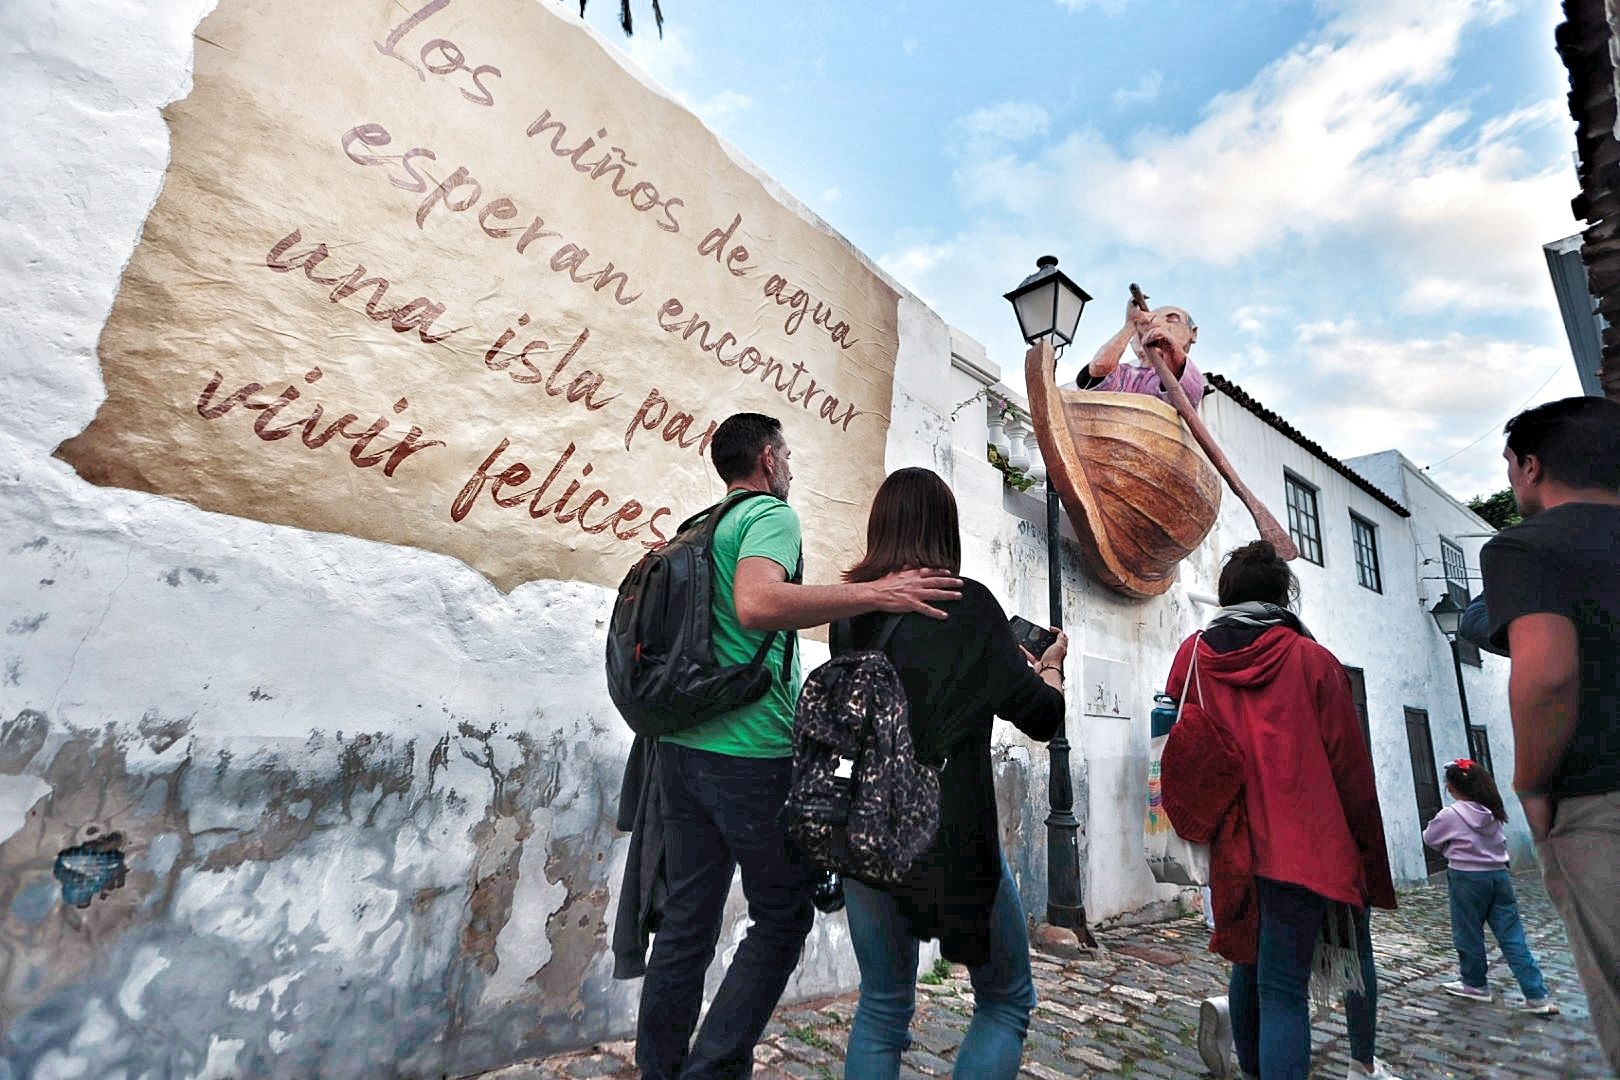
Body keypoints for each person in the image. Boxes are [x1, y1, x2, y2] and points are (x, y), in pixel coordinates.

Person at [635, 415, 963, 1080]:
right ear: (766, 457)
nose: (791, 468)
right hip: (748, 752)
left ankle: (659, 1070)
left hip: (679, 748)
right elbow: (757, 604)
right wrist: (878, 591)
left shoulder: (703, 524)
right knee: (783, 917)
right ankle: (714, 1070)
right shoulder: (767, 513)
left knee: (686, 925)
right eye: (786, 455)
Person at [834, 467, 1066, 1080]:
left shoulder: (852, 614)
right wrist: (1049, 669)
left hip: (866, 829)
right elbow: (1041, 718)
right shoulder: (966, 605)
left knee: (882, 1007)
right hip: (950, 833)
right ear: (945, 530)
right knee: (1005, 999)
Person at [1164, 541, 1399, 1080]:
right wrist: (1366, 856)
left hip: (1230, 848)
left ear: (1227, 595)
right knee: (1283, 990)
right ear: (1282, 596)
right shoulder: (1314, 662)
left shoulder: (1193, 656)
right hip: (1306, 851)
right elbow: (1351, 771)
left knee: (1248, 969)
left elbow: (1178, 732)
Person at [1478, 395, 1620, 1072]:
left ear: (1532, 468)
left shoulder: (1526, 546)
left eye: (1510, 469)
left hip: (1602, 800)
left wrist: (1531, 783)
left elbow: (1548, 675)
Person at [1421, 758, 1557, 1015]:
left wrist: (1450, 846)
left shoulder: (1451, 814)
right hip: (1498, 876)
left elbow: (1430, 838)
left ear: (1452, 788)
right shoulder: (1493, 811)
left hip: (1466, 877)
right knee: (1512, 936)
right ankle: (1536, 995)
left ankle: (1474, 983)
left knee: (1469, 932)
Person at [1075, 298, 1205, 408]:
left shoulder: (1190, 374)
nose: (1156, 323)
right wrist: (1131, 324)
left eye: (1172, 319)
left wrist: (1168, 345)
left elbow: (1181, 391)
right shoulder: (1124, 374)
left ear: (1193, 333)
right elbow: (1098, 368)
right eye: (1150, 320)